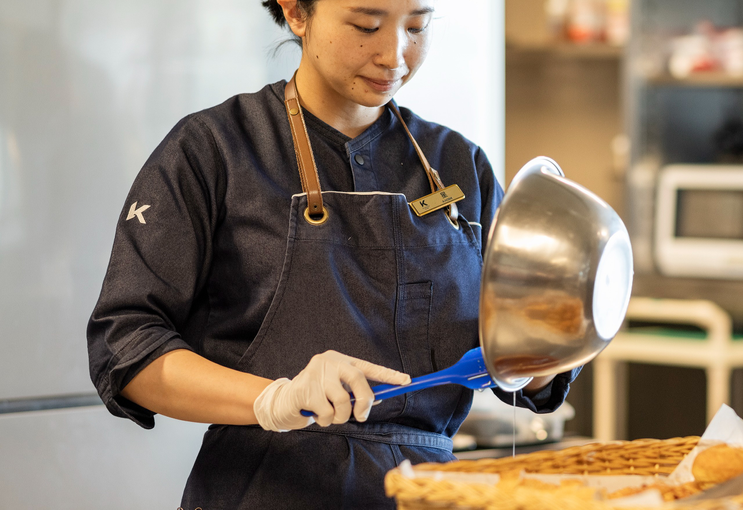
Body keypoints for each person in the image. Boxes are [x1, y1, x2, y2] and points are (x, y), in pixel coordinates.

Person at [86, 1, 579, 508]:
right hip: (264, 489)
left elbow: (525, 370)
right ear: (297, 13)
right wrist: (272, 399)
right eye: (366, 25)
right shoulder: (214, 149)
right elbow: (127, 347)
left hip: (428, 495)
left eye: (416, 26)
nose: (394, 55)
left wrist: (554, 332)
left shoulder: (460, 164)